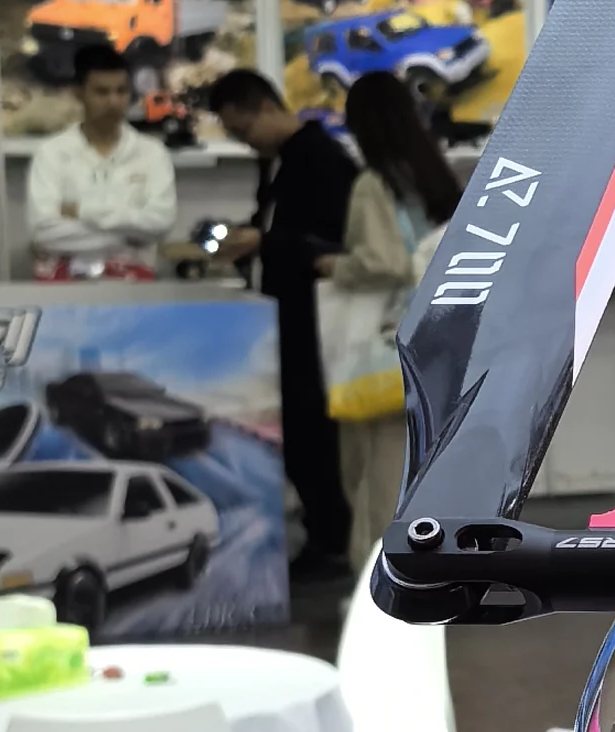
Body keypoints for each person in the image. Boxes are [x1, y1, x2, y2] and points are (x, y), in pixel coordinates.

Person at [207, 67, 359, 586]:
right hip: (285, 314)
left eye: (244, 129)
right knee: (295, 429)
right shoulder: (279, 162)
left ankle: (333, 539)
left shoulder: (322, 160)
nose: (245, 142)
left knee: (314, 432)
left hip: (316, 318)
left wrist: (264, 243)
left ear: (268, 108)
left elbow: (334, 243)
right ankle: (323, 534)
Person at [322, 72, 460, 577]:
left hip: (386, 345)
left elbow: (383, 262)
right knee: (426, 473)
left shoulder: (372, 184)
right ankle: (430, 578)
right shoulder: (437, 176)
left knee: (378, 479)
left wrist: (333, 265)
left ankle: (378, 588)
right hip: (442, 343)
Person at [25, 39, 176, 271]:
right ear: (79, 94)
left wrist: (81, 211)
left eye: (121, 91)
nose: (113, 102)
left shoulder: (152, 153)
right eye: (101, 92)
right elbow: (43, 233)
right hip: (66, 285)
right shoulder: (51, 153)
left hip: (135, 285)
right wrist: (128, 240)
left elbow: (161, 223)